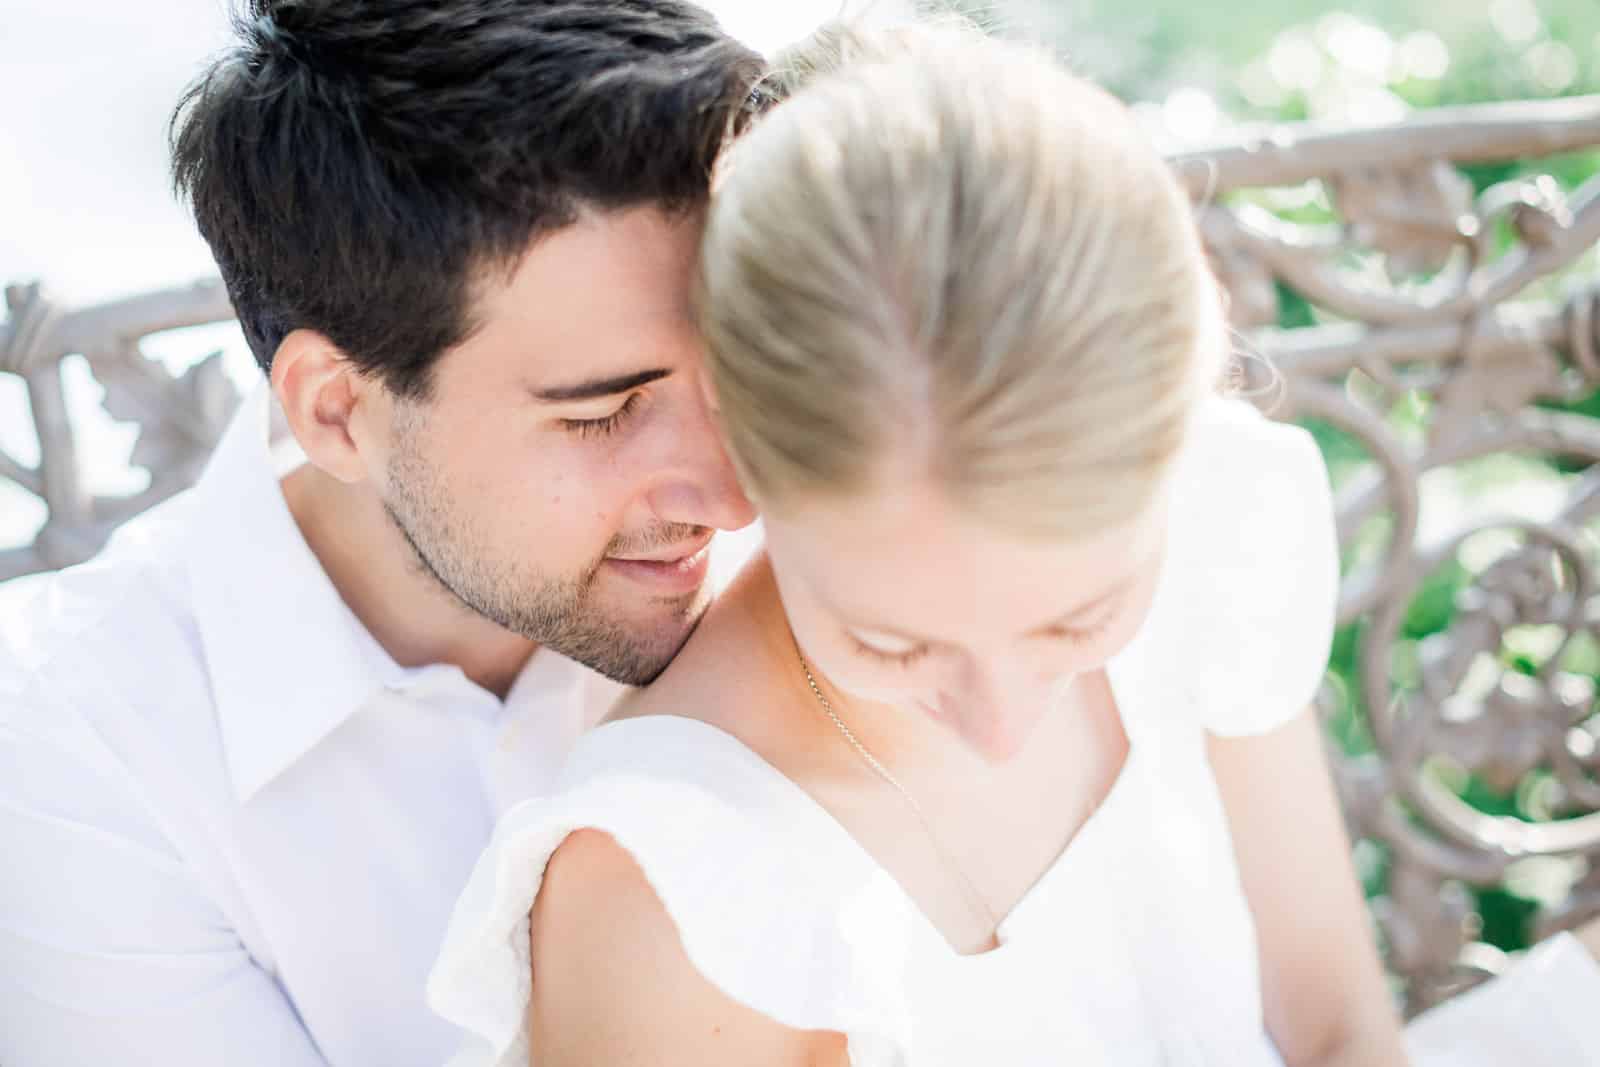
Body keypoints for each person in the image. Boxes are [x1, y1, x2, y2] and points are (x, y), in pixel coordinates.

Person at [426, 18, 1600, 1067]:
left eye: (1080, 618)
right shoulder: (671, 889)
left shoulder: (1211, 517)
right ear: (743, 451)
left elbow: (1338, 1028)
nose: (1002, 720)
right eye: (890, 639)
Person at [0, 3, 766, 1064]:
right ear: (334, 411)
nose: (735, 503)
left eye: (746, 366)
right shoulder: (74, 754)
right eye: (601, 413)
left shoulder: (840, 567)